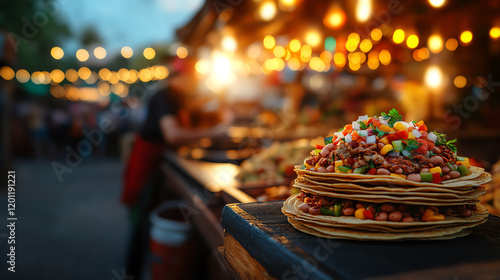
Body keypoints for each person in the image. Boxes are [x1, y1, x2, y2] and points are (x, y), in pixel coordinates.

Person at [121, 57, 232, 278]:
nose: (196, 83)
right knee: (143, 220)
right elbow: (172, 135)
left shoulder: (179, 98)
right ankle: (134, 271)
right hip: (148, 163)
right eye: (194, 78)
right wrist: (215, 131)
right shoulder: (164, 96)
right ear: (184, 77)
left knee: (148, 217)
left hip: (160, 162)